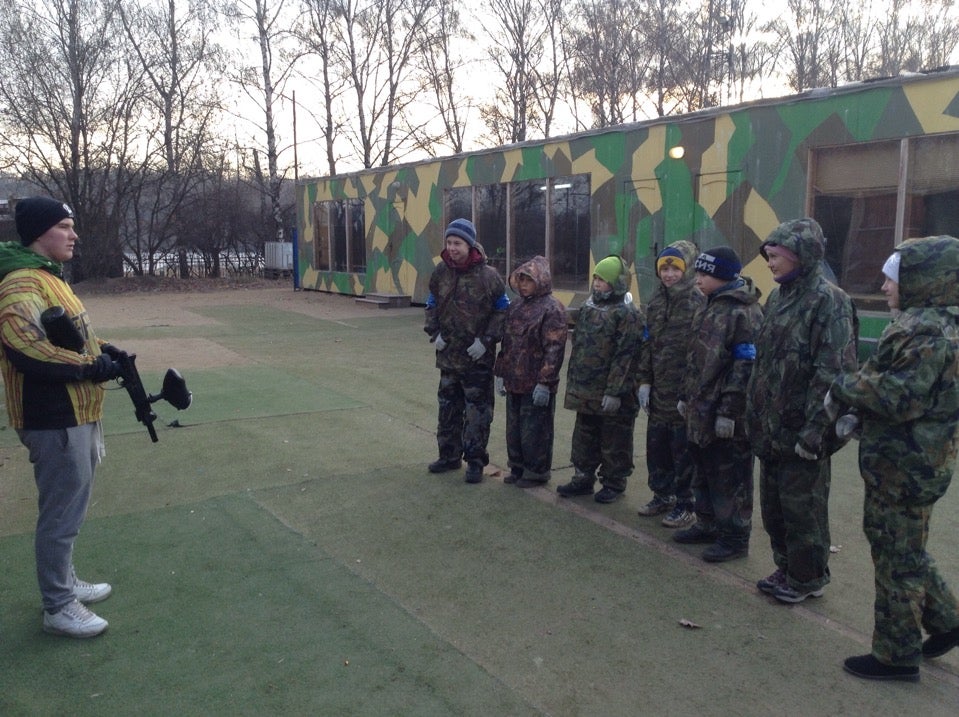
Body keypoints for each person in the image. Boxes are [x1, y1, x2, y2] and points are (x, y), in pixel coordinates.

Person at [829, 236, 959, 683]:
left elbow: (899, 396)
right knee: (905, 549)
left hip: (905, 465)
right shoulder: (930, 323)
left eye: (894, 276)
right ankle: (946, 619)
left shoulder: (927, 332)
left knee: (896, 558)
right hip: (911, 461)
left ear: (924, 280)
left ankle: (896, 655)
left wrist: (844, 385)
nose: (885, 286)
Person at [0, 197, 122, 638]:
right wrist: (89, 367)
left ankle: (65, 583)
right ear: (39, 233)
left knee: (70, 509)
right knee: (60, 515)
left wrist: (102, 350)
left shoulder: (47, 278)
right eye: (65, 226)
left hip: (76, 411)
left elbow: (73, 335)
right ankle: (58, 606)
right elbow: (27, 348)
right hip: (53, 416)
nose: (74, 235)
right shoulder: (19, 284)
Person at [746, 218, 858, 604]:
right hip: (772, 428)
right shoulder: (779, 298)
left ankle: (807, 577)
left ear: (801, 256)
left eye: (776, 256)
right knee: (775, 508)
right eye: (769, 256)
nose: (771, 263)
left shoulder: (831, 302)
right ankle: (788, 567)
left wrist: (816, 431)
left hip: (803, 431)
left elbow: (834, 373)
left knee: (803, 510)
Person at [674, 247, 762, 562]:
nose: (697, 279)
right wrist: (686, 395)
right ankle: (708, 523)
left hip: (726, 413)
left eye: (704, 274)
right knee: (704, 468)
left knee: (731, 475)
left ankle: (735, 537)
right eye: (697, 273)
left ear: (723, 275)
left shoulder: (743, 311)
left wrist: (730, 410)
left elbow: (745, 365)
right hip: (701, 408)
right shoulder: (708, 305)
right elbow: (695, 356)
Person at [424, 218, 509, 484]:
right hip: (448, 357)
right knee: (447, 408)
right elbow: (431, 303)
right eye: (449, 242)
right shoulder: (440, 273)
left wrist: (486, 340)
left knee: (477, 413)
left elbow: (503, 310)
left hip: (477, 360)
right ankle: (449, 456)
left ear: (469, 244)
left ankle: (474, 461)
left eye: (457, 243)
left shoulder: (489, 277)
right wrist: (434, 332)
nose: (452, 248)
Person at [557, 255, 643, 503]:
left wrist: (615, 391)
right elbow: (579, 346)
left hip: (612, 392)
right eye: (595, 278)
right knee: (584, 435)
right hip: (586, 390)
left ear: (617, 282)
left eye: (603, 279)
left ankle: (614, 482)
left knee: (614, 439)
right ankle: (583, 477)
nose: (597, 283)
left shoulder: (627, 315)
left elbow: (626, 356)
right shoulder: (588, 308)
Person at [635, 241, 705, 528]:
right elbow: (648, 343)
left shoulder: (698, 301)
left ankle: (686, 503)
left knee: (682, 448)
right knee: (657, 445)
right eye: (664, 268)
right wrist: (644, 381)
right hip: (659, 389)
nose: (668, 274)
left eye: (675, 268)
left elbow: (702, 352)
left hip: (683, 391)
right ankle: (662, 495)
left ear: (687, 270)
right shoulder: (656, 301)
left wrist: (690, 392)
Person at [493, 256, 568, 487]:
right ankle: (517, 467)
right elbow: (508, 342)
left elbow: (554, 349)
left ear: (541, 281)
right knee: (514, 429)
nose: (523, 284)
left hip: (536, 384)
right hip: (514, 380)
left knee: (535, 430)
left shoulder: (552, 308)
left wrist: (545, 382)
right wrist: (500, 372)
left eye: (528, 280)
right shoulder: (515, 306)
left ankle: (536, 471)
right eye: (521, 279)